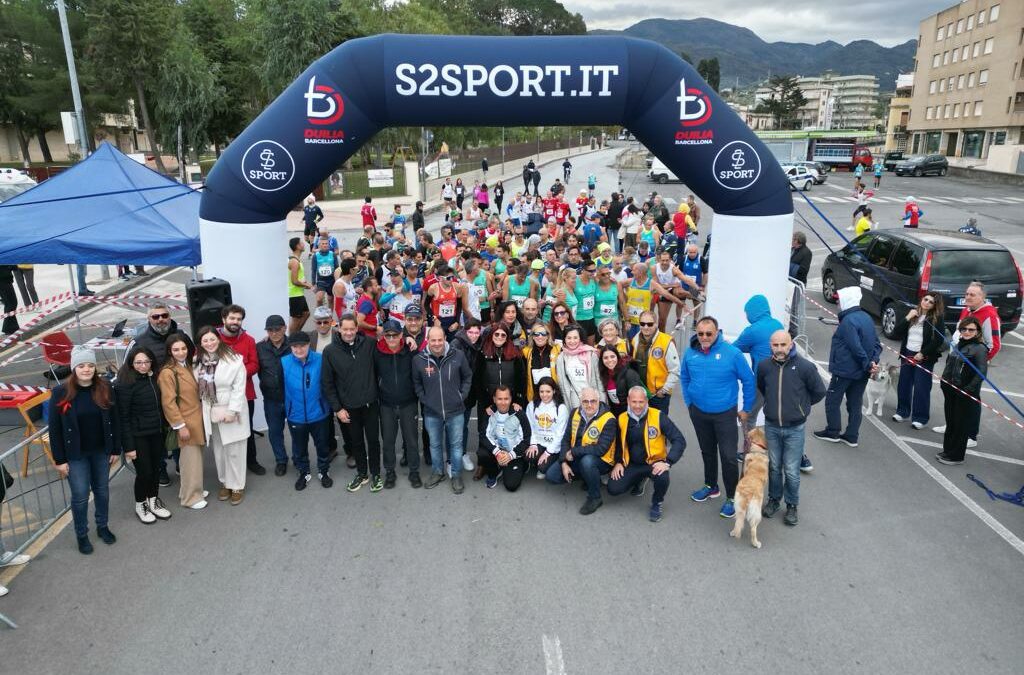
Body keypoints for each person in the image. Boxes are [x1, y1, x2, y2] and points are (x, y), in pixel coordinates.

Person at [681, 316, 755, 519]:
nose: (704, 337)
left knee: (729, 457)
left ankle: (732, 497)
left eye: (709, 334)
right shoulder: (690, 353)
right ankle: (711, 486)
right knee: (707, 452)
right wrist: (689, 402)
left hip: (724, 414)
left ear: (717, 333)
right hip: (698, 412)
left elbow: (749, 381)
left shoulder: (732, 354)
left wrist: (746, 408)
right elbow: (685, 377)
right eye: (700, 333)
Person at [49, 348, 119, 554]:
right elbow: (55, 429)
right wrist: (60, 459)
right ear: (74, 368)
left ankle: (102, 526)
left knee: (102, 491)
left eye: (90, 365)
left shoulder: (105, 387)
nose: (86, 369)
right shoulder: (60, 393)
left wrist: (115, 448)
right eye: (81, 366)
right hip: (76, 454)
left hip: (100, 451)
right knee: (80, 495)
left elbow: (114, 420)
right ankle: (82, 534)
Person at [757, 330, 825, 527]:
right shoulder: (764, 366)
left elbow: (819, 392)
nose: (779, 349)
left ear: (791, 345)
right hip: (771, 426)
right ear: (770, 345)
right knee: (774, 467)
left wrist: (801, 407)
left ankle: (792, 505)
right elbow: (762, 387)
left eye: (783, 345)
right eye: (775, 345)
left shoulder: (805, 367)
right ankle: (774, 500)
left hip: (795, 428)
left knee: (792, 470)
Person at [934, 282, 1001, 446]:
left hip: (970, 367)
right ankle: (952, 425)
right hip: (955, 363)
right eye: (967, 294)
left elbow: (994, 345)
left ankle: (971, 435)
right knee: (952, 396)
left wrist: (977, 364)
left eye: (973, 294)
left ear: (983, 297)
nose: (968, 297)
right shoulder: (967, 310)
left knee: (971, 400)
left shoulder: (989, 315)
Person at [813, 287, 881, 447]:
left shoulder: (848, 321)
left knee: (832, 400)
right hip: (862, 372)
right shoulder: (866, 318)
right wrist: (872, 363)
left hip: (844, 370)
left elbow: (855, 346)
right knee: (855, 403)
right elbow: (877, 344)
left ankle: (833, 431)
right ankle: (852, 436)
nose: (837, 302)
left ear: (846, 301)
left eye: (839, 300)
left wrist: (867, 363)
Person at [321, 314, 382, 493]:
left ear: (357, 329)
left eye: (352, 329)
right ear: (339, 329)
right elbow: (327, 383)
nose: (348, 333)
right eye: (345, 329)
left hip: (370, 404)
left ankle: (376, 473)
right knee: (356, 443)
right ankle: (362, 474)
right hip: (348, 408)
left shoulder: (370, 344)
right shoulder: (330, 351)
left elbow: (380, 367)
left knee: (373, 441)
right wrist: (337, 408)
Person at [607, 386, 686, 522]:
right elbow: (619, 444)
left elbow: (679, 440)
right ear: (628, 401)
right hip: (632, 464)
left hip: (654, 463)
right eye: (634, 402)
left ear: (646, 401)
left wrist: (668, 462)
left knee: (662, 478)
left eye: (641, 402)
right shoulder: (621, 418)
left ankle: (657, 503)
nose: (637, 406)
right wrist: (619, 462)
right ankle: (640, 479)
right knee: (613, 489)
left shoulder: (658, 416)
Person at [412, 326, 474, 494]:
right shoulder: (418, 359)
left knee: (456, 445)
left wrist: (462, 395)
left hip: (456, 411)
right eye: (433, 340)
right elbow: (417, 384)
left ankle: (456, 475)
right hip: (432, 412)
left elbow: (467, 377)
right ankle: (437, 472)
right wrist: (425, 400)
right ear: (428, 340)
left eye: (440, 339)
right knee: (435, 444)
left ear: (445, 338)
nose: (437, 343)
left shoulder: (458, 355)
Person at [115, 346, 171, 524]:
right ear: (131, 363)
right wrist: (128, 447)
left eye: (147, 362)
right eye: (138, 362)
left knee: (156, 469)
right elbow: (123, 418)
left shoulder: (153, 378)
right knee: (144, 472)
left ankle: (153, 501)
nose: (143, 366)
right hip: (138, 436)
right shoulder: (124, 384)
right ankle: (141, 504)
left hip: (156, 432)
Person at [195, 326, 250, 505]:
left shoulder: (234, 360)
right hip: (212, 412)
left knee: (235, 450)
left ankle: (237, 486)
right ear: (200, 343)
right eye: (205, 341)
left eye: (212, 339)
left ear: (218, 339)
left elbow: (239, 387)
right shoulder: (198, 362)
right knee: (219, 450)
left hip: (231, 411)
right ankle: (225, 482)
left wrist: (232, 411)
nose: (209, 343)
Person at [546, 387, 618, 515]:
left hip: (601, 460)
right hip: (577, 456)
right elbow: (566, 439)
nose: (589, 405)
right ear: (580, 402)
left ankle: (595, 497)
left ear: (599, 400)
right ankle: (588, 477)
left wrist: (573, 453)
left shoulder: (609, 419)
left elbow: (600, 449)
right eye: (585, 401)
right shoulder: (575, 412)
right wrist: (563, 462)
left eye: (593, 401)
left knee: (587, 462)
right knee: (552, 476)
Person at [159, 333, 207, 509]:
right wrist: (179, 426)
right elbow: (168, 402)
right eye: (176, 349)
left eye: (183, 348)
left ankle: (193, 490)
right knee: (190, 461)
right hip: (186, 421)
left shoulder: (187, 365)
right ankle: (190, 497)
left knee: (194, 459)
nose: (180, 352)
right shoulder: (167, 372)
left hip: (196, 418)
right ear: (169, 352)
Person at [281, 331, 332, 489]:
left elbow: (328, 384)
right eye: (294, 346)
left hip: (319, 413)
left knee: (323, 445)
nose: (298, 349)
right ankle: (304, 472)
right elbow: (278, 387)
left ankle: (324, 471)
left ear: (309, 344)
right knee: (299, 447)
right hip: (295, 415)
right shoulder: (284, 362)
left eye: (302, 345)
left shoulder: (320, 359)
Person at [217, 305, 265, 476]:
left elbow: (254, 364)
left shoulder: (249, 340)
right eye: (232, 318)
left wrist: (235, 374)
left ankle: (251, 461)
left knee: (247, 428)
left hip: (246, 393)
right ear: (224, 319)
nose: (235, 322)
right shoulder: (214, 339)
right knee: (225, 431)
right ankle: (229, 464)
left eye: (238, 319)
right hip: (221, 396)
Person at [374, 319, 422, 488]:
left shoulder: (410, 350)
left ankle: (414, 472)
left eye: (395, 335)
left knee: (412, 440)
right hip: (386, 404)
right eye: (388, 335)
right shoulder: (376, 352)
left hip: (408, 403)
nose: (392, 339)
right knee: (388, 441)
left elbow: (419, 373)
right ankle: (389, 472)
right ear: (383, 336)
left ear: (402, 334)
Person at [936, 316, 988, 466]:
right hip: (950, 389)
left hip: (965, 393)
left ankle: (956, 456)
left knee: (960, 424)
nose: (966, 332)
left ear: (977, 331)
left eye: (971, 329)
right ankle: (948, 450)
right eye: (964, 329)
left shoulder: (979, 348)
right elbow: (949, 365)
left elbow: (981, 373)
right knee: (951, 422)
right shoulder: (959, 344)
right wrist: (944, 382)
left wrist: (968, 390)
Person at [892, 293, 946, 429]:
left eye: (931, 302)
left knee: (922, 387)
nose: (926, 303)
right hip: (907, 353)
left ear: (935, 306)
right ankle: (902, 412)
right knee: (903, 384)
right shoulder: (913, 314)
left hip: (924, 357)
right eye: (925, 299)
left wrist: (923, 353)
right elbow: (897, 332)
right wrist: (907, 318)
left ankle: (920, 418)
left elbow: (939, 339)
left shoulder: (936, 318)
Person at [733, 294, 784, 426]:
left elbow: (735, 349)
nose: (746, 316)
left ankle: (750, 446)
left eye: (747, 313)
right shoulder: (778, 324)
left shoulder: (752, 331)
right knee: (774, 417)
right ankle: (772, 444)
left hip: (762, 380)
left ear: (753, 311)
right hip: (781, 377)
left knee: (748, 416)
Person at [256, 315, 292, 476]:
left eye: (277, 329)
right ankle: (281, 460)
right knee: (275, 431)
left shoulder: (294, 345)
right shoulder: (259, 347)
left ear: (285, 328)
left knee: (297, 430)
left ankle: (299, 458)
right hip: (271, 398)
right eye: (270, 330)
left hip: (292, 397)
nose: (274, 333)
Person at [476, 386, 531, 491]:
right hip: (497, 451)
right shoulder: (489, 413)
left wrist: (510, 456)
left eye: (506, 399)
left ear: (511, 399)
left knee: (511, 486)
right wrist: (497, 452)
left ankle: (523, 465)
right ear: (494, 399)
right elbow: (483, 435)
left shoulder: (519, 414)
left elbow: (526, 439)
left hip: (513, 453)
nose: (503, 402)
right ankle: (494, 473)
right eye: (500, 399)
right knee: (482, 453)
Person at [630, 310, 679, 412]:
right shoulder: (635, 340)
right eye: (642, 324)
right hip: (641, 394)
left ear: (656, 324)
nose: (646, 327)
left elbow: (675, 370)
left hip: (658, 396)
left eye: (650, 324)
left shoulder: (666, 342)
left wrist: (664, 390)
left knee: (658, 426)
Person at [524, 376, 569, 480]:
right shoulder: (532, 405)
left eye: (548, 391)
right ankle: (538, 461)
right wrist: (533, 444)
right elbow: (530, 427)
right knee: (528, 456)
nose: (544, 395)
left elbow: (560, 434)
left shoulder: (561, 408)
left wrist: (548, 452)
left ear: (554, 391)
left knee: (543, 468)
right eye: (542, 391)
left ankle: (550, 462)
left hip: (554, 445)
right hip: (539, 442)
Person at [555, 325, 600, 410]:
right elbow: (562, 384)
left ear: (580, 338)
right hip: (574, 397)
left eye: (575, 338)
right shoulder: (561, 358)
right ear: (564, 339)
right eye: (569, 338)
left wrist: (601, 399)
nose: (572, 341)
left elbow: (598, 380)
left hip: (592, 395)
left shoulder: (591, 354)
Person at [598, 346, 643, 417]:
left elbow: (638, 399)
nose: (609, 360)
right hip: (615, 412)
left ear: (617, 357)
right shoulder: (605, 374)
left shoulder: (629, 373)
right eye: (605, 358)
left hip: (630, 413)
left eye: (612, 356)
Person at [523, 323, 560, 401]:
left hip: (554, 393)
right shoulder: (527, 352)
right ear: (532, 337)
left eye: (543, 334)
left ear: (548, 336)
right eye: (536, 334)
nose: (540, 337)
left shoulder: (557, 350)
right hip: (535, 395)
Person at [288, 237, 313, 334]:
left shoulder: (296, 260)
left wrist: (304, 283)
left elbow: (298, 278)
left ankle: (296, 333)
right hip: (294, 295)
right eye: (302, 243)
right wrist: (306, 285)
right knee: (296, 319)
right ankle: (292, 338)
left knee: (306, 314)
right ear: (298, 246)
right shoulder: (294, 261)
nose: (304, 244)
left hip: (298, 294)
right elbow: (294, 281)